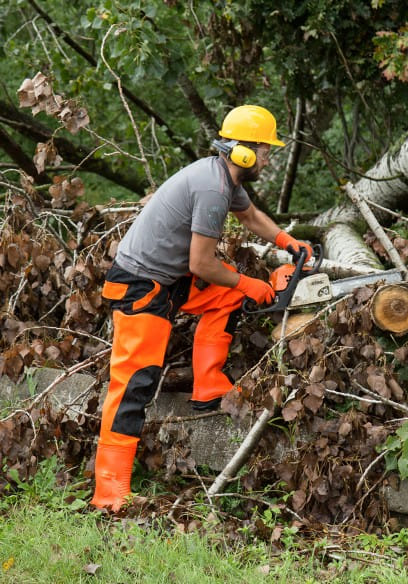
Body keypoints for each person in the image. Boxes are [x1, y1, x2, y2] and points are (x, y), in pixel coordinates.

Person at [91, 104, 313, 511]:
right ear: (243, 151)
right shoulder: (213, 189)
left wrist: (286, 241)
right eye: (265, 150)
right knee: (134, 383)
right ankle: (109, 492)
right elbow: (201, 264)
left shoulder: (224, 177)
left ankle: (208, 385)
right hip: (143, 285)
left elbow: (250, 216)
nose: (268, 159)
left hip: (170, 280)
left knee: (229, 296)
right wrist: (250, 282)